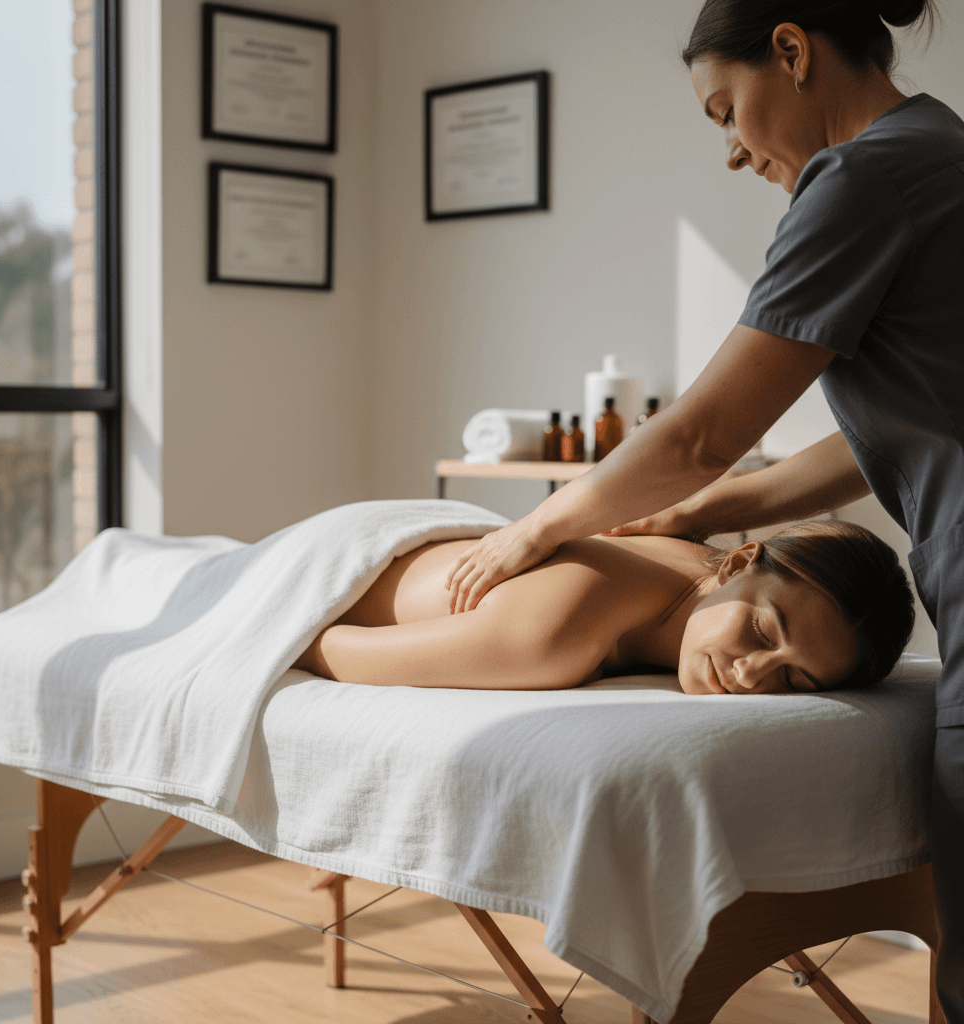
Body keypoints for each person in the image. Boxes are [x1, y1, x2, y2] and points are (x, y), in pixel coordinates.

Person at [442, 1, 964, 1016]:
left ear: (791, 49)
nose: (730, 151)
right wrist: (690, 518)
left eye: (726, 110)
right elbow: (874, 445)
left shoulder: (861, 176)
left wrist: (537, 527)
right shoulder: (941, 144)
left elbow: (696, 436)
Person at [296, 520, 914, 696]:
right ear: (738, 561)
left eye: (795, 677)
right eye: (761, 629)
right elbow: (325, 646)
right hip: (329, 558)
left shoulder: (692, 565)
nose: (752, 674)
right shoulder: (555, 636)